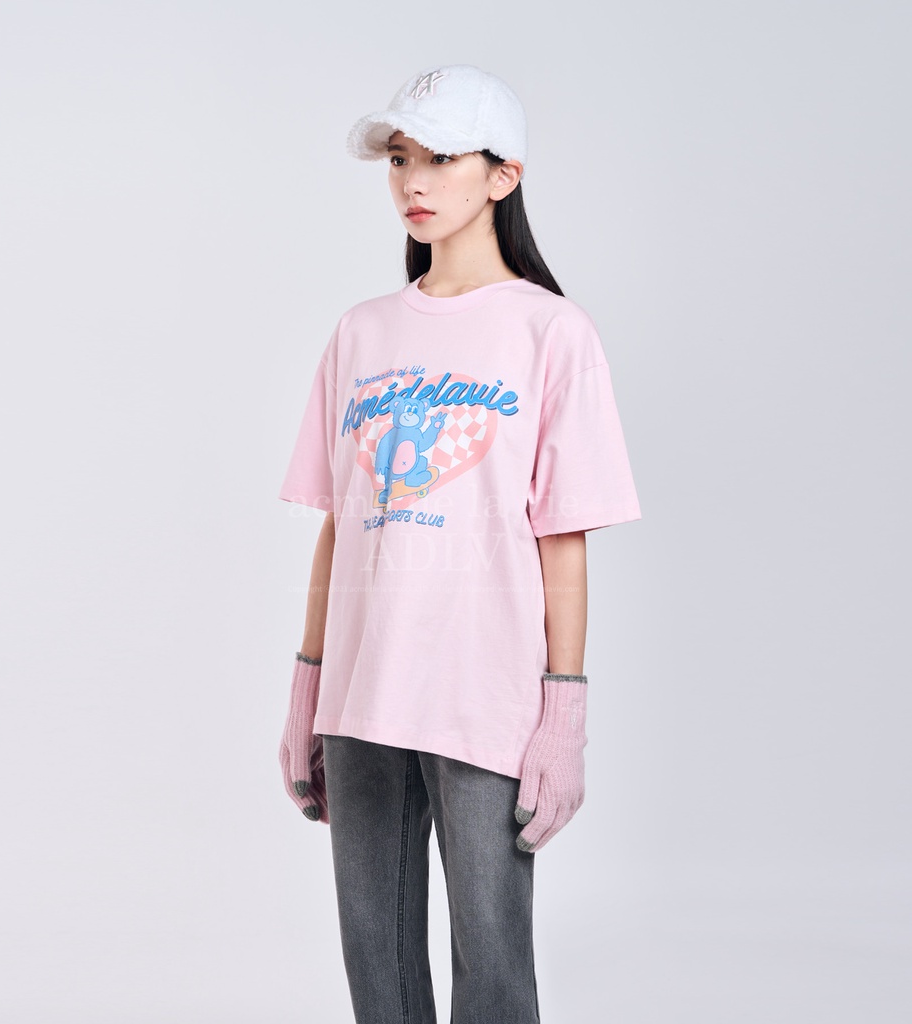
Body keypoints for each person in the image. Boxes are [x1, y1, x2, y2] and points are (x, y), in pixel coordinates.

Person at [277, 64, 641, 1024]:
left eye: (440, 157)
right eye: (400, 159)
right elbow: (339, 523)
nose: (413, 181)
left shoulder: (551, 333)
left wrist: (563, 713)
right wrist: (308, 687)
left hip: (483, 692)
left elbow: (563, 536)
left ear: (503, 174)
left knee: (494, 963)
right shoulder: (361, 333)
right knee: (378, 965)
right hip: (361, 692)